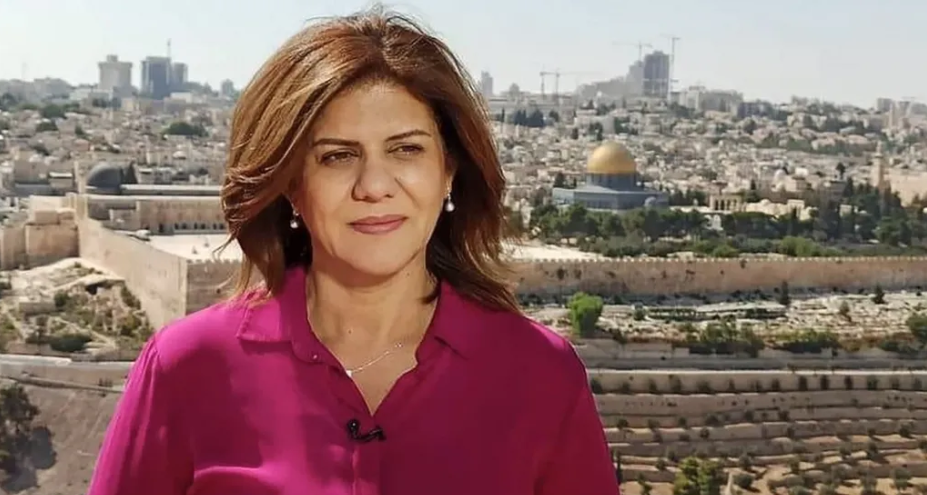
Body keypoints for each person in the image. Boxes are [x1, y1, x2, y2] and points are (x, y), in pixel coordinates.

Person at [87, 7, 618, 495]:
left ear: (449, 172)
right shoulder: (188, 367)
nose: (374, 185)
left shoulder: (538, 375)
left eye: (406, 150)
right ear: (292, 185)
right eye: (338, 157)